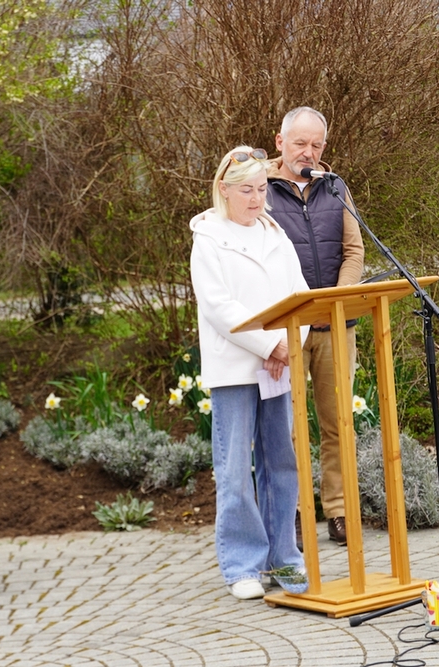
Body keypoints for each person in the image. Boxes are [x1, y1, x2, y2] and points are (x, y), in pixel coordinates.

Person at [190, 145, 311, 600]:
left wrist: (288, 346)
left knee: (281, 462)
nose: (257, 198)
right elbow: (219, 307)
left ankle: (284, 559)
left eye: (262, 189)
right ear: (224, 189)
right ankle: (242, 565)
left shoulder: (275, 234)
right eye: (247, 191)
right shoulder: (208, 237)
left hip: (277, 364)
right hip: (236, 368)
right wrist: (269, 345)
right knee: (236, 467)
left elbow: (301, 296)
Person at [266, 107, 365, 548]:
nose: (308, 152)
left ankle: (339, 511)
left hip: (335, 325)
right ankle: (295, 513)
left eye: (316, 145)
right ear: (280, 142)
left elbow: (354, 251)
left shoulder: (336, 187)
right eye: (300, 143)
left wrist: (336, 302)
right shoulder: (262, 188)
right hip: (286, 330)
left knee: (338, 423)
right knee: (288, 428)